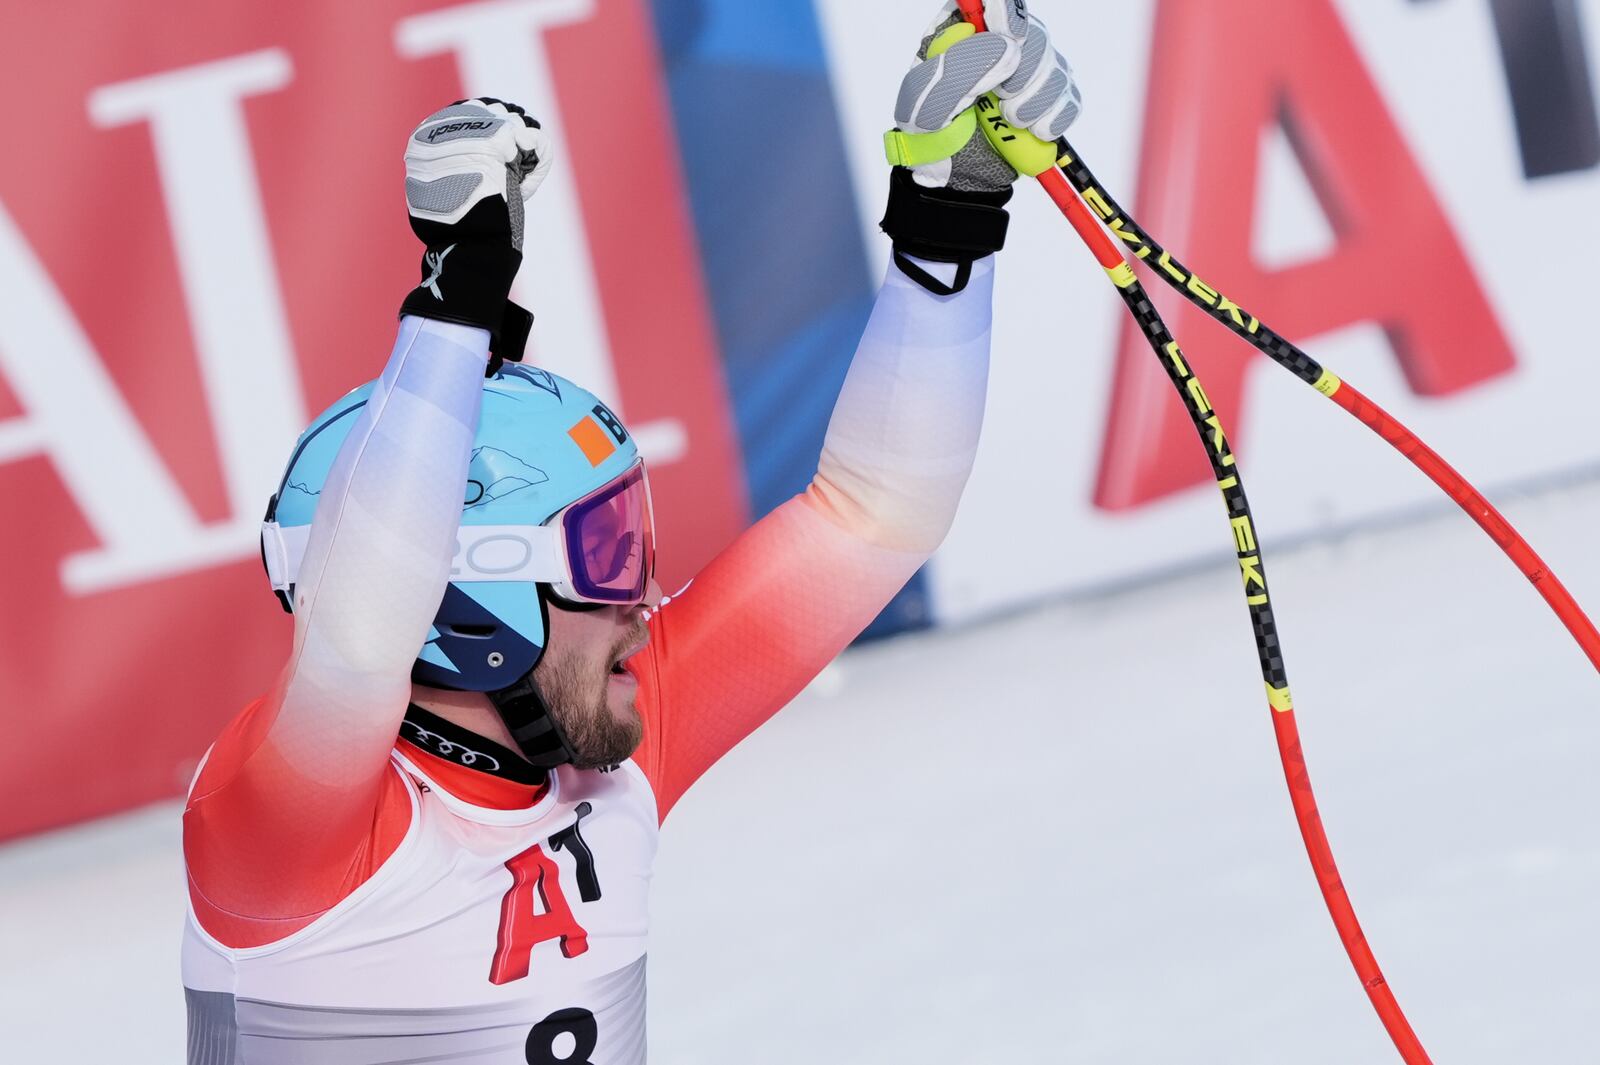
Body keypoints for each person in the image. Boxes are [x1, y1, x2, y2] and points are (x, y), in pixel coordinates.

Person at [180, 2, 1080, 1061]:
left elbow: (873, 513)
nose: (642, 602)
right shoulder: (284, 833)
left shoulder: (616, 740)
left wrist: (950, 222)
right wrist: (453, 303)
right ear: (463, 598)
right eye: (603, 555)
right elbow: (354, 636)